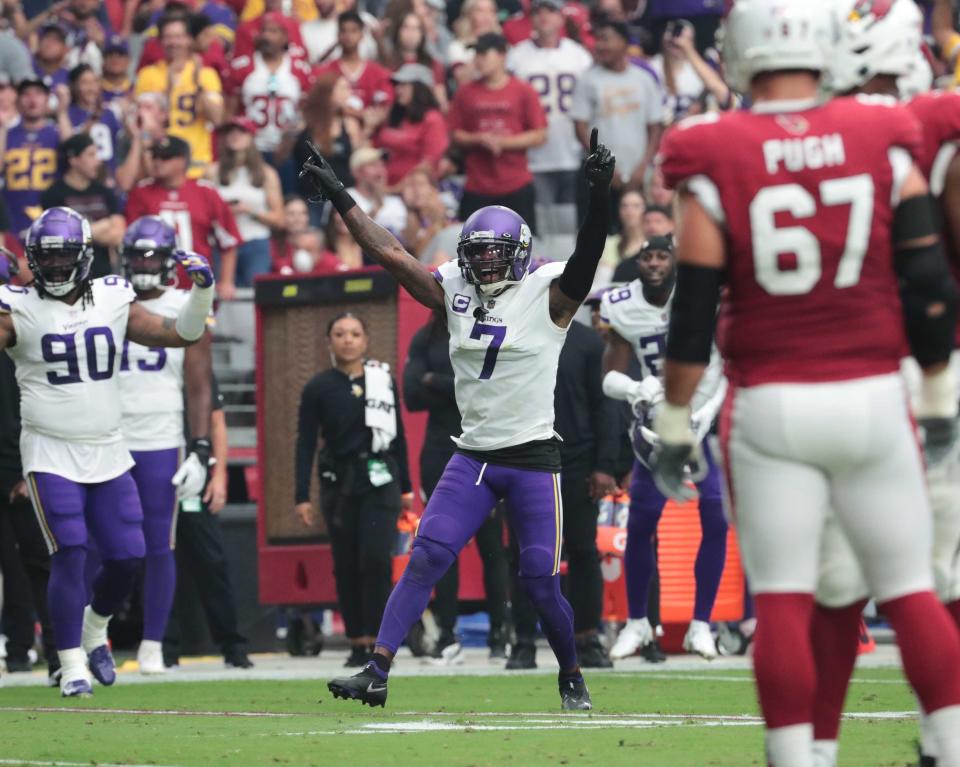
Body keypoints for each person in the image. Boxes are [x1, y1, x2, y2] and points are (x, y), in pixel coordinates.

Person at [653, 1, 960, 763]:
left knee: (786, 598)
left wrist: (672, 415)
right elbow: (927, 284)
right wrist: (937, 394)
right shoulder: (883, 137)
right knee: (912, 592)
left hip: (773, 403)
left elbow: (692, 311)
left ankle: (800, 756)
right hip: (873, 394)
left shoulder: (712, 148)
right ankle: (949, 744)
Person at [301, 125, 615, 710]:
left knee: (540, 583)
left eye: (497, 254)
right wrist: (342, 194)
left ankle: (571, 671)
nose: (486, 265)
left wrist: (601, 194)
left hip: (531, 456)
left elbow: (591, 252)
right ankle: (377, 669)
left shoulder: (549, 293)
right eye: (477, 255)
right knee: (426, 556)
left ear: (520, 255)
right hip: (472, 454)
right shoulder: (455, 289)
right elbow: (391, 253)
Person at [815, 3, 960, 764]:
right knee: (932, 578)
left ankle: (807, 747)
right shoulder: (931, 119)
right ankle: (945, 739)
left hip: (849, 370)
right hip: (924, 365)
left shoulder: (808, 135)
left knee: (833, 583)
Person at [0, 205, 216, 696]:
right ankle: (71, 662)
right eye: (46, 259)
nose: (55, 268)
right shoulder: (18, 305)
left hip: (108, 447)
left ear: (85, 257)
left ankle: (96, 626)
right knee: (71, 549)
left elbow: (181, 333)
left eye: (64, 258)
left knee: (128, 555)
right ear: (32, 260)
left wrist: (200, 292)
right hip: (50, 450)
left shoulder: (114, 298)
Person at [601, 235, 727, 661]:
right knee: (641, 522)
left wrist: (708, 411)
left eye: (662, 256)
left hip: (702, 424)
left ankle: (702, 624)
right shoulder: (622, 304)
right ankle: (637, 622)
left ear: (676, 260)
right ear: (637, 263)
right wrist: (639, 388)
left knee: (714, 516)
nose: (654, 263)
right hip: (657, 425)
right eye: (647, 256)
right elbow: (609, 377)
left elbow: (729, 362)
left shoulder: (703, 294)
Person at [116, 216, 213, 675]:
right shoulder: (110, 297)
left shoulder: (186, 302)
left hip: (159, 437)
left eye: (153, 255)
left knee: (159, 543)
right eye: (138, 255)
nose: (145, 264)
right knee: (101, 544)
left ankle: (152, 642)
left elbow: (198, 385)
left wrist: (199, 447)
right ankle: (84, 634)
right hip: (106, 434)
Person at [294, 313, 413, 667]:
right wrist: (302, 494)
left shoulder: (383, 381)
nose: (348, 340)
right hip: (339, 484)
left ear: (365, 340)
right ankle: (357, 640)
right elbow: (305, 444)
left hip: (380, 480)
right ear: (329, 342)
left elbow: (399, 435)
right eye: (340, 334)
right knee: (346, 564)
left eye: (355, 334)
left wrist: (406, 486)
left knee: (376, 560)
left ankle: (380, 642)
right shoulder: (318, 387)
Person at [508, 309, 619, 670]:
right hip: (525, 455)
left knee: (584, 551)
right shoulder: (516, 330)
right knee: (525, 553)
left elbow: (604, 405)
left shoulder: (587, 340)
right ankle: (523, 641)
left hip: (577, 459)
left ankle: (587, 637)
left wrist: (605, 465)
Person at [402, 314, 509, 663]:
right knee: (440, 544)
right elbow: (412, 395)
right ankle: (448, 636)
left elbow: (493, 389)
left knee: (492, 545)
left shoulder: (487, 328)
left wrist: (436, 380)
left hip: (484, 445)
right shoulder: (426, 337)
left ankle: (499, 633)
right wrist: (456, 385)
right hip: (438, 451)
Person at [163, 371, 253, 670]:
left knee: (212, 563)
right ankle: (163, 647)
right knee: (159, 562)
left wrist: (220, 475)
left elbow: (217, 422)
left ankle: (233, 645)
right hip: (155, 476)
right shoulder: (136, 363)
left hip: (195, 477)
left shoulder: (194, 365)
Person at [0, 248, 57, 682]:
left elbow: (33, 402)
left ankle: (58, 653)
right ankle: (20, 649)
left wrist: (24, 466)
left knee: (39, 562)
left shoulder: (23, 330)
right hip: (18, 456)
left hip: (21, 459)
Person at [506, 0, 593, 241]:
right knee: (541, 228)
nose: (544, 16)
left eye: (550, 10)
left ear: (561, 17)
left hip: (571, 148)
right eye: (538, 11)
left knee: (569, 226)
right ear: (531, 18)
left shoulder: (578, 55)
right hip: (533, 154)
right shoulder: (516, 55)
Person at [447, 32, 547, 232]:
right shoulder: (465, 92)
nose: (478, 60)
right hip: (477, 184)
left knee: (522, 244)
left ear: (502, 55)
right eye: (476, 55)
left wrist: (502, 143)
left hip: (516, 183)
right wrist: (479, 139)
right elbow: (455, 133)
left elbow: (540, 134)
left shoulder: (523, 90)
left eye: (484, 54)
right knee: (471, 245)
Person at [570, 18, 664, 225]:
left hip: (640, 174)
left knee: (638, 235)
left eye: (606, 40)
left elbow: (655, 127)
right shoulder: (589, 80)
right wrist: (605, 169)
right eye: (598, 40)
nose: (600, 46)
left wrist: (643, 167)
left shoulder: (644, 79)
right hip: (600, 177)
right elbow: (580, 129)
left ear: (624, 42)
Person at [125, 135, 240, 300]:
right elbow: (128, 242)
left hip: (196, 289)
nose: (157, 161)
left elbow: (229, 241)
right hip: (151, 290)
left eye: (165, 157)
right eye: (155, 156)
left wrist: (227, 281)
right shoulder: (141, 193)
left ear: (182, 160)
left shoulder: (206, 192)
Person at [135, 13, 224, 179]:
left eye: (179, 36)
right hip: (160, 164)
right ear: (160, 41)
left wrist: (198, 83)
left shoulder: (206, 74)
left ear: (189, 39)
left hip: (197, 166)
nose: (173, 42)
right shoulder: (148, 74)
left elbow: (217, 118)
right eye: (168, 37)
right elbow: (145, 124)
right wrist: (169, 86)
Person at [224, 12, 313, 160]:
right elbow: (230, 112)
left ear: (285, 37)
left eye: (273, 31)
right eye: (263, 30)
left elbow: (306, 113)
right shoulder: (242, 67)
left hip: (288, 148)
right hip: (250, 148)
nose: (266, 36)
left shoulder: (300, 70)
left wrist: (290, 139)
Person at [207, 117, 284, 286]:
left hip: (255, 241)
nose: (235, 136)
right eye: (230, 132)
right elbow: (204, 212)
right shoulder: (213, 171)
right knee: (221, 293)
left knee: (255, 294)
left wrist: (250, 211)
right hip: (223, 243)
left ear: (251, 137)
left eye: (241, 132)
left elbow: (279, 219)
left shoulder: (266, 174)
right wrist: (224, 212)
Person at [41, 133, 125, 279]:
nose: (97, 161)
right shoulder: (53, 195)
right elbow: (60, 239)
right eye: (91, 155)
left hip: (102, 275)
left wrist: (78, 233)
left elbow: (118, 235)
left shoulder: (105, 192)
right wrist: (104, 225)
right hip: (68, 276)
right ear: (74, 160)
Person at [1, 79, 59, 243]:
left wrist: (62, 113)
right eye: (26, 94)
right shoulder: (7, 134)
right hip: (13, 214)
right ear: (17, 100)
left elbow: (75, 154)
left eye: (38, 94)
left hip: (50, 213)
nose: (32, 99)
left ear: (47, 99)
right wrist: (3, 127)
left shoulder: (57, 133)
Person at [372, 64, 448, 188]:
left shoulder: (433, 119)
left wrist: (395, 189)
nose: (398, 90)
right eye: (397, 85)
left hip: (412, 192)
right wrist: (370, 128)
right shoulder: (395, 115)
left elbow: (428, 165)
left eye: (404, 85)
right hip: (381, 188)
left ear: (420, 89)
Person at [316, 11, 393, 111]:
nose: (348, 36)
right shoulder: (327, 72)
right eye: (344, 31)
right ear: (338, 35)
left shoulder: (377, 72)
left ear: (362, 35)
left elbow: (386, 106)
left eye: (353, 31)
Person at [62, 64, 122, 178]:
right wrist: (89, 125)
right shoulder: (68, 114)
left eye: (95, 82)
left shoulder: (109, 114)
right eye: (84, 83)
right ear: (74, 86)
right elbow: (69, 147)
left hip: (108, 179)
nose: (91, 88)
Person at [346, 148, 407, 239]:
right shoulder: (347, 198)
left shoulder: (396, 201)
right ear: (356, 172)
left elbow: (410, 243)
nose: (380, 171)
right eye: (373, 165)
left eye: (382, 165)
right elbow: (349, 237)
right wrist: (377, 206)